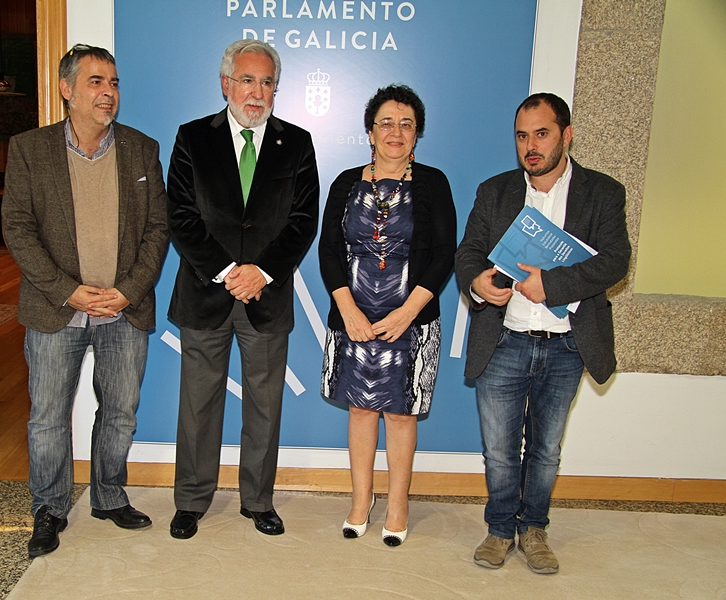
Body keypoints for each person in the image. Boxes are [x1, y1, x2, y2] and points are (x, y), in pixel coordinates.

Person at [2, 44, 169, 558]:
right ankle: (49, 508)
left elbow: (158, 230)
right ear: (66, 89)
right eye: (96, 81)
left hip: (123, 307)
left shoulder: (142, 148)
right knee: (48, 417)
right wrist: (69, 291)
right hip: (57, 309)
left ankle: (108, 495)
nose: (108, 92)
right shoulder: (30, 149)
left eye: (114, 82)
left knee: (120, 412)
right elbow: (18, 229)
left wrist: (128, 290)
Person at [455, 92, 631, 574]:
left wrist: (549, 284)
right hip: (503, 339)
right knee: (499, 451)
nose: (530, 145)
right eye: (522, 135)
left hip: (568, 344)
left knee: (546, 450)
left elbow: (616, 262)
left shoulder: (603, 193)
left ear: (566, 135)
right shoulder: (495, 191)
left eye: (542, 133)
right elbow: (468, 252)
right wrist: (477, 283)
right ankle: (498, 529)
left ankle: (533, 528)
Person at [166, 39, 319, 539]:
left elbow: (302, 222)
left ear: (276, 88)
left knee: (264, 406)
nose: (257, 92)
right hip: (206, 292)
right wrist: (230, 270)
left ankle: (257, 500)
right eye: (248, 80)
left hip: (266, 297)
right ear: (226, 83)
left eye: (267, 82)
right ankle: (190, 501)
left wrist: (261, 272)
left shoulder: (297, 142)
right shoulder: (192, 138)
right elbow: (181, 217)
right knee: (198, 405)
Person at [319, 84, 457, 547]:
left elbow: (443, 254)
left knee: (400, 415)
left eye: (406, 124)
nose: (395, 132)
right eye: (386, 123)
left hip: (412, 317)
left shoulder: (434, 182)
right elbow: (329, 250)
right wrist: (347, 309)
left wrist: (407, 313)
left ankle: (397, 503)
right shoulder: (344, 182)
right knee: (360, 410)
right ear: (369, 132)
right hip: (353, 314)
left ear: (417, 134)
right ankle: (362, 500)